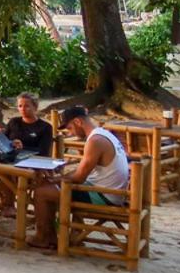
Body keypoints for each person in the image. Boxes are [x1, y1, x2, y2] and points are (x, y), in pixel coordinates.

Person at [29, 107, 130, 249]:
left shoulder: (95, 141)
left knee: (42, 191)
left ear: (78, 122)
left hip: (106, 196)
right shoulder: (103, 134)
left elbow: (78, 177)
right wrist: (59, 178)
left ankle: (44, 237)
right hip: (111, 191)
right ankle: (63, 234)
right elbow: (82, 171)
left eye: (70, 128)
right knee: (52, 186)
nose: (71, 133)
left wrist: (55, 180)